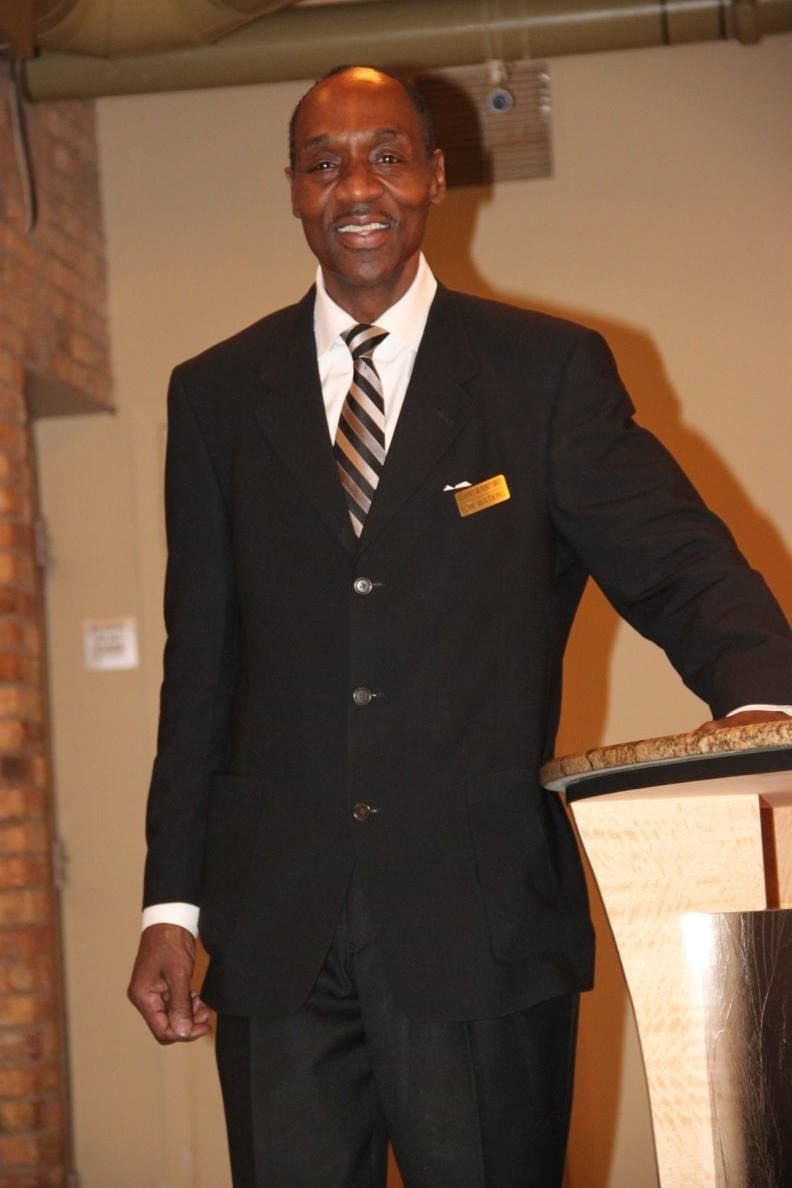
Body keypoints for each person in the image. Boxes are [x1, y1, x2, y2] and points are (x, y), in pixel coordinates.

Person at [127, 65, 792, 1187]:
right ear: (293, 188)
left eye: (386, 155)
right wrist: (169, 901)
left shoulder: (543, 377)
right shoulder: (216, 395)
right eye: (324, 162)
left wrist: (767, 708)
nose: (357, 186)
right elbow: (202, 667)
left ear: (436, 175)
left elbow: (678, 563)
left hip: (478, 930)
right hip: (276, 936)